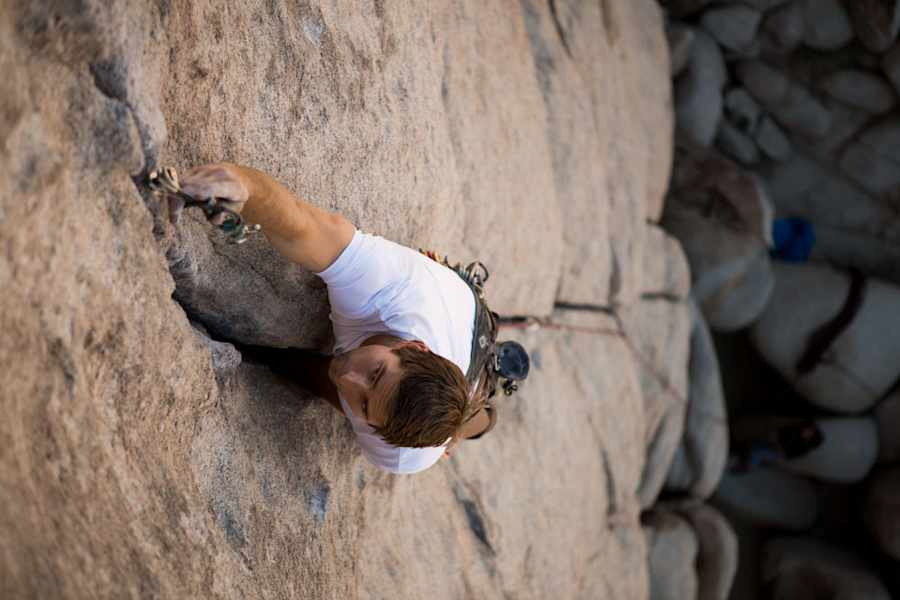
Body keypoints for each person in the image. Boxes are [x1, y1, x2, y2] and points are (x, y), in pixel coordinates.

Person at [175, 162, 496, 474]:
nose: (348, 378)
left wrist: (271, 358)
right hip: (463, 307)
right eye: (375, 373)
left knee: (463, 425)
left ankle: (472, 423)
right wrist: (239, 186)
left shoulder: (400, 456)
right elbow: (299, 226)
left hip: (455, 380)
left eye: (366, 405)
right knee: (470, 407)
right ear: (412, 347)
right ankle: (479, 411)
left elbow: (322, 381)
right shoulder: (388, 287)